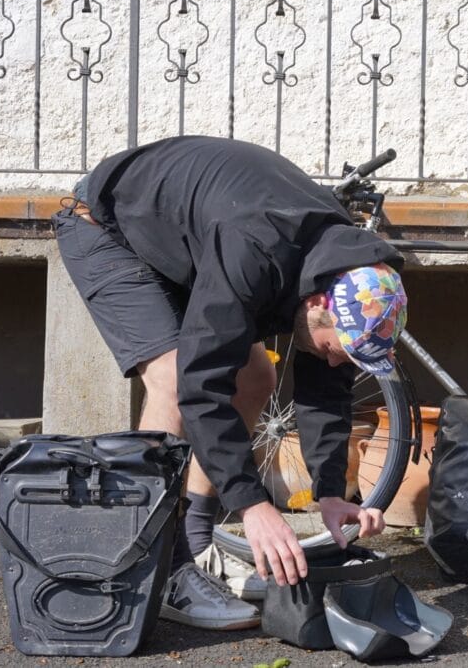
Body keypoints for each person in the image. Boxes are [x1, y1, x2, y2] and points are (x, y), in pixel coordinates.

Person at [52, 135, 407, 630]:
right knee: (175, 383)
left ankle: (196, 546)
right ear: (318, 303)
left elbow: (326, 386)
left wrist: (330, 491)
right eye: (333, 349)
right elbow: (201, 384)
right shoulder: (258, 248)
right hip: (105, 228)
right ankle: (162, 568)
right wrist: (253, 503)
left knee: (255, 377)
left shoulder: (342, 273)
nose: (334, 362)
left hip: (187, 241)